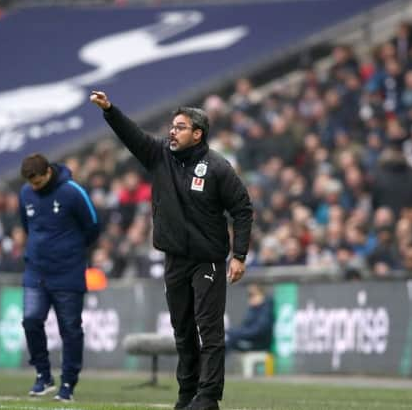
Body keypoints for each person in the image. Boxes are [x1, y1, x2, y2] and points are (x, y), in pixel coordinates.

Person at [91, 91, 253, 410]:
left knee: (209, 331)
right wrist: (110, 110)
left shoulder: (218, 167)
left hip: (207, 260)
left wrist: (240, 255)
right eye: (172, 126)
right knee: (182, 330)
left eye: (180, 127)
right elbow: (132, 136)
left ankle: (208, 397)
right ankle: (186, 393)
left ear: (197, 133)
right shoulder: (160, 156)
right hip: (175, 259)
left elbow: (243, 209)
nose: (172, 132)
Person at [19, 153, 100, 402]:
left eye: (38, 182)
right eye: (31, 183)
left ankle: (68, 383)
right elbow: (26, 226)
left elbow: (93, 226)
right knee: (31, 321)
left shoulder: (72, 192)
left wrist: (72, 252)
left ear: (48, 173)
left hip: (68, 273)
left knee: (70, 329)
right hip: (36, 272)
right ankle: (43, 375)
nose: (34, 187)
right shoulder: (25, 193)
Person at [225, 283, 274, 352]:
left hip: (259, 344)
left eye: (252, 295)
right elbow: (244, 326)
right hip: (251, 340)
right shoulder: (254, 309)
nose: (250, 298)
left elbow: (257, 331)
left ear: (261, 294)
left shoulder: (266, 309)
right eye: (249, 295)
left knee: (228, 342)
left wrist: (231, 332)